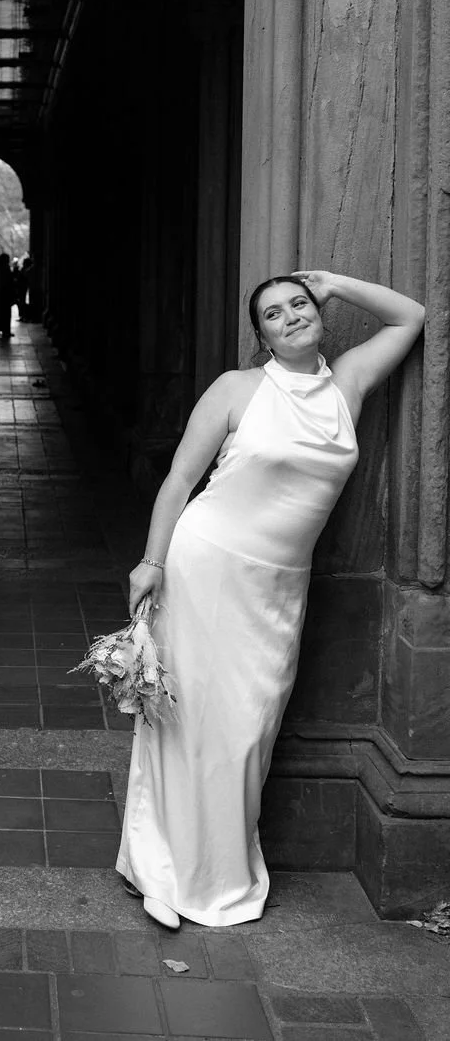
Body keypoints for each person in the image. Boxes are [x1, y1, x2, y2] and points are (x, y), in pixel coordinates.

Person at [116, 269, 425, 932]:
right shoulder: (238, 389)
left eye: (299, 304)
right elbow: (180, 477)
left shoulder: (348, 383)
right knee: (191, 721)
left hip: (279, 586)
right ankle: (162, 869)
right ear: (260, 336)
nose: (289, 317)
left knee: (248, 730)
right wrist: (150, 559)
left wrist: (336, 280)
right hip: (204, 567)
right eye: (273, 314)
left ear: (320, 312)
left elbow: (411, 317)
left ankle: (217, 872)